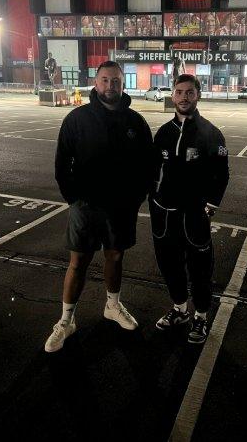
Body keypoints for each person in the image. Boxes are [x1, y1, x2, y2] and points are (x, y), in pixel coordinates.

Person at [45, 61, 155, 352]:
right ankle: (67, 320)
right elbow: (61, 163)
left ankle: (113, 306)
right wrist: (73, 198)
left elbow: (148, 165)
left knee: (115, 257)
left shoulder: (135, 121)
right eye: (105, 80)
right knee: (78, 262)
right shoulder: (77, 119)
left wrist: (137, 197)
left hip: (121, 207)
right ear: (96, 83)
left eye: (116, 81)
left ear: (123, 84)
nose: (110, 86)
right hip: (86, 205)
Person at [150, 74, 230, 344]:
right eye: (180, 92)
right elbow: (152, 171)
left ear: (198, 95)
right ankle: (180, 310)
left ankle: (201, 317)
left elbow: (222, 174)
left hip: (194, 216)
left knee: (200, 270)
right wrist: (154, 202)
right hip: (165, 216)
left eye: (190, 92)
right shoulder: (163, 133)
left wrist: (210, 207)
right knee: (169, 266)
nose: (184, 97)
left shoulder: (210, 133)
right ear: (173, 96)